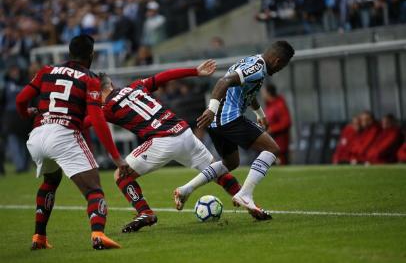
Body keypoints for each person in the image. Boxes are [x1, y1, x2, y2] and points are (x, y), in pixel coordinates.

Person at [84, 60, 271, 234]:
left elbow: (84, 123)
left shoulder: (105, 107)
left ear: (96, 92)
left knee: (120, 175)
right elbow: (165, 76)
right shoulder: (136, 86)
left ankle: (145, 212)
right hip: (184, 132)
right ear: (111, 85)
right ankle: (250, 204)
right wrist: (195, 71)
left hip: (162, 140)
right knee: (217, 172)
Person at [15, 35, 132, 250]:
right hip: (63, 134)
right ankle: (98, 234)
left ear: (70, 52)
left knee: (50, 181)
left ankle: (39, 237)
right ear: (91, 55)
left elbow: (21, 99)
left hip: (38, 134)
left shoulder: (46, 71)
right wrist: (116, 157)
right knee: (94, 190)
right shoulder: (90, 79)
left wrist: (26, 113)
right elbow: (97, 120)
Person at [192, 41, 295, 215]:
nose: (279, 70)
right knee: (272, 148)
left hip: (219, 121)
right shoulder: (257, 68)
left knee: (230, 163)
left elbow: (248, 91)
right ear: (277, 61)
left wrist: (260, 114)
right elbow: (223, 81)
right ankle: (245, 194)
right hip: (228, 118)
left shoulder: (253, 61)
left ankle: (185, 189)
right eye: (282, 66)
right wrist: (212, 108)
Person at [262, 83, 291, 165]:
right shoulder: (268, 105)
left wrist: (272, 129)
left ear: (269, 93)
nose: (262, 94)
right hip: (270, 142)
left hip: (280, 143)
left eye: (264, 92)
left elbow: (286, 122)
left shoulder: (279, 104)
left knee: (282, 164)